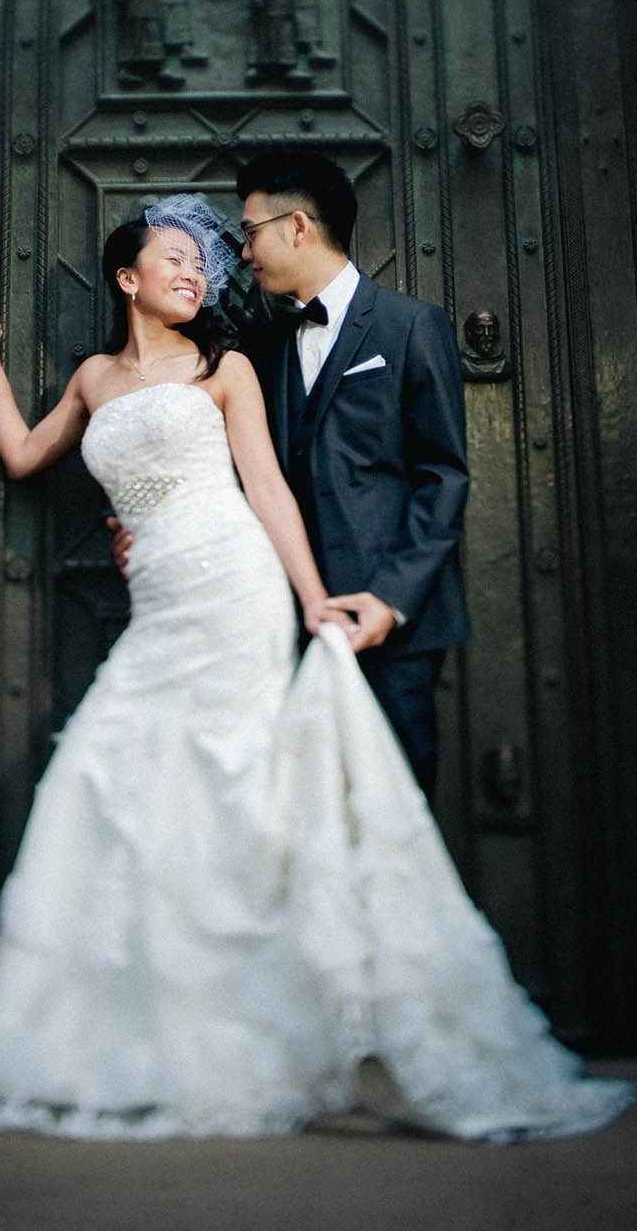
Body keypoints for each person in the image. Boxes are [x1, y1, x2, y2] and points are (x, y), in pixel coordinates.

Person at [0, 194, 635, 1142]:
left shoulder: (228, 367)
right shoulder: (91, 376)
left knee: (235, 785)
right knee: (115, 773)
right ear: (127, 278)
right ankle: (155, 1039)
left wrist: (307, 598)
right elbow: (21, 456)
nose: (194, 273)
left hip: (237, 589)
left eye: (201, 263)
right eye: (172, 259)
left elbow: (270, 489)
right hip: (157, 606)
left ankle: (270, 1026)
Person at [232, 149, 469, 798]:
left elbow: (444, 475)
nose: (244, 251)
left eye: (250, 232)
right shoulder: (260, 349)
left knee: (392, 813)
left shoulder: (411, 327)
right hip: (282, 626)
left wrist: (389, 600)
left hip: (390, 629)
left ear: (297, 226)